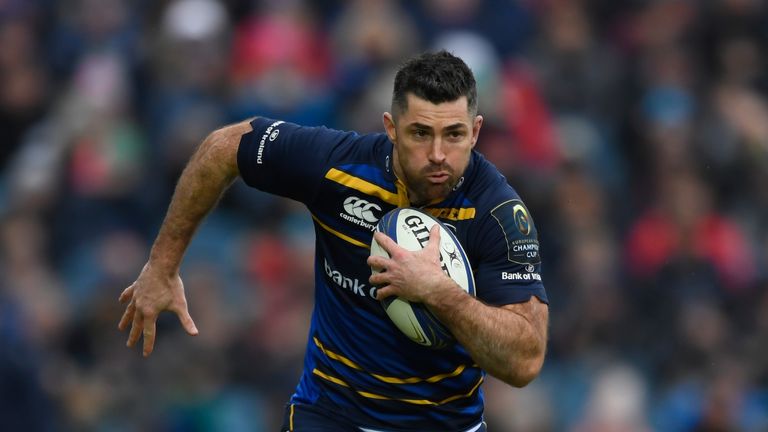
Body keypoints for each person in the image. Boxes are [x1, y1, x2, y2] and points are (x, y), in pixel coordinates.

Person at [118, 50, 549, 432]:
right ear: (391, 128)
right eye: (420, 133)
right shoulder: (339, 167)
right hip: (330, 414)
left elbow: (525, 360)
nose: (438, 154)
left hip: (444, 423)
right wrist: (162, 265)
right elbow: (223, 148)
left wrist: (439, 292)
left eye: (453, 135)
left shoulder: (497, 213)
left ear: (475, 132)